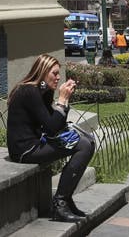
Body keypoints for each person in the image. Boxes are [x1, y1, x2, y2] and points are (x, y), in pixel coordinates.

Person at [6, 53, 95, 223]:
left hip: (36, 143)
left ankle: (66, 200)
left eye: (58, 73)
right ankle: (60, 204)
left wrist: (63, 101)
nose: (58, 77)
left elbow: (56, 126)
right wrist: (62, 100)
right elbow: (51, 127)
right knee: (84, 146)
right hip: (25, 150)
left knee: (87, 141)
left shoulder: (41, 90)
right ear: (43, 72)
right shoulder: (29, 91)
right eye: (54, 73)